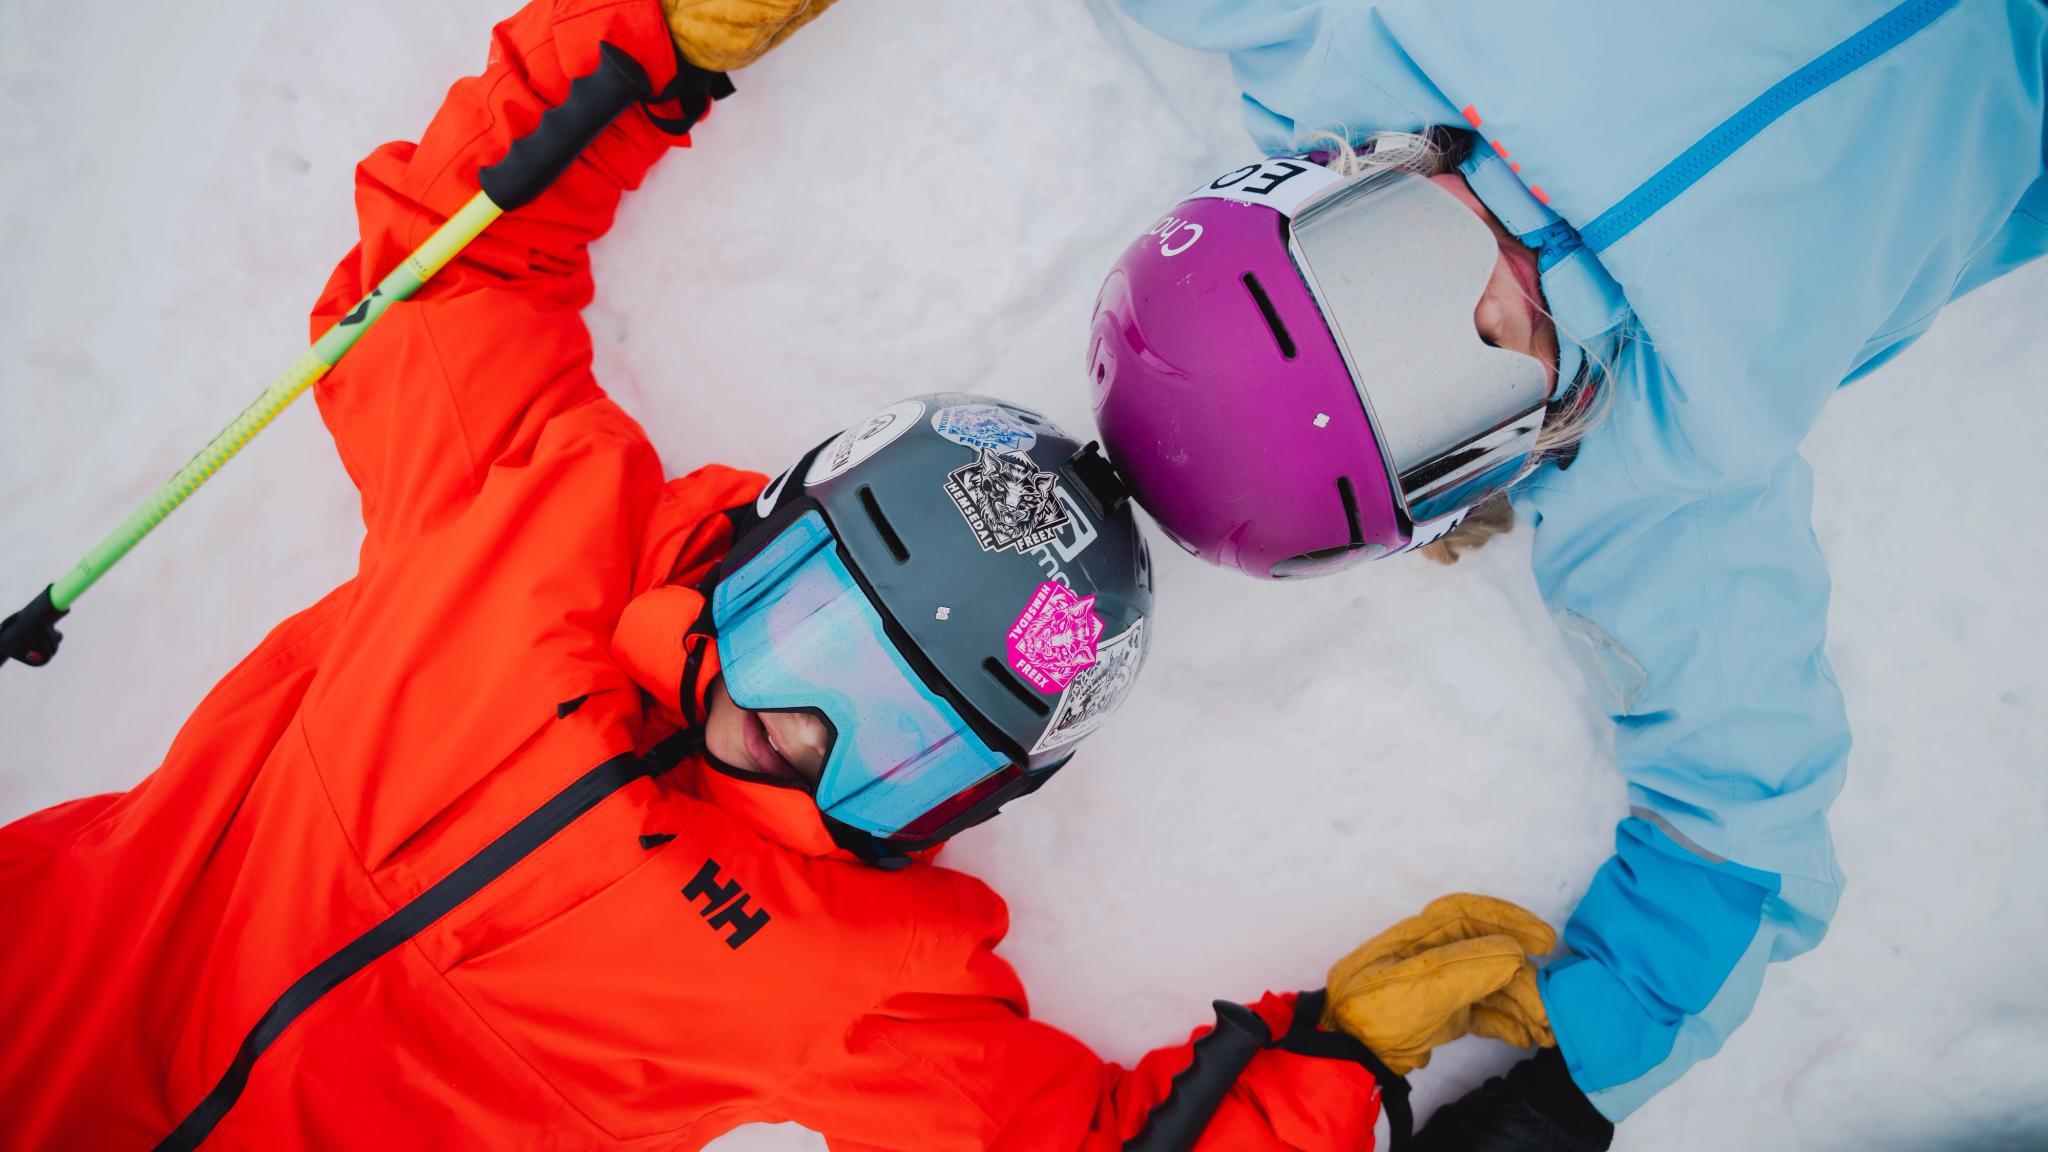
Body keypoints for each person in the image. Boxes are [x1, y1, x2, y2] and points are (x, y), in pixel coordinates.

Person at [0, 2, 1563, 1148]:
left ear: (965, 803)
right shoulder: (528, 528)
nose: (798, 731)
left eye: (901, 738)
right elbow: (447, 273)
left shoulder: (860, 978)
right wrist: (651, 47)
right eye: (811, 632)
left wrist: (1337, 1062)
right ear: (755, 545)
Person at [1090, 0, 2047, 1147]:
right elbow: (1732, 841)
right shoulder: (1645, 475)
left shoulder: (1349, 33)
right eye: (1450, 379)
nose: (1490, 289)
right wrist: (1561, 1099)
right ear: (1458, 469)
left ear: (1314, 182)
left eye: (1391, 269)